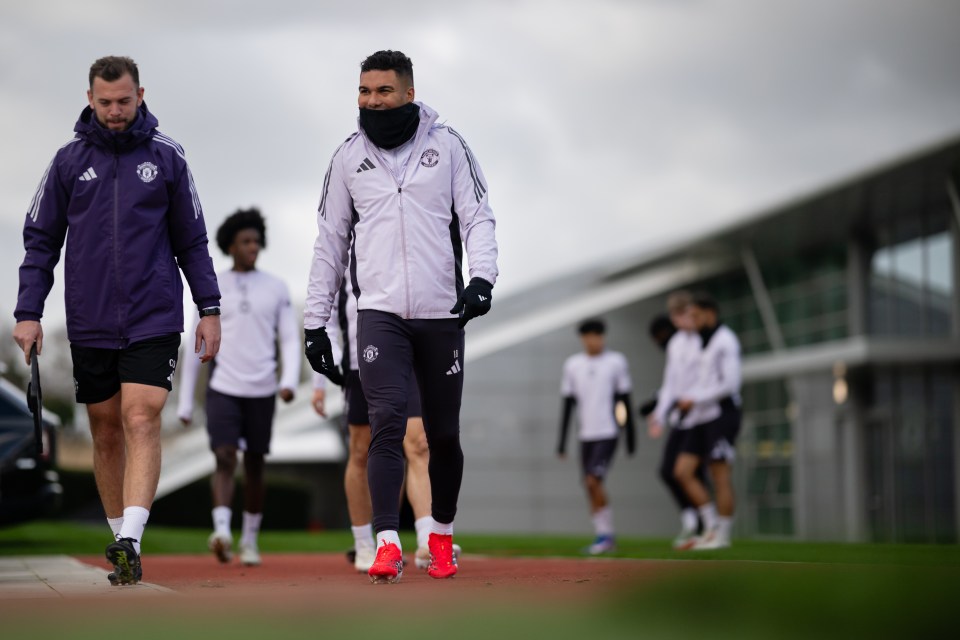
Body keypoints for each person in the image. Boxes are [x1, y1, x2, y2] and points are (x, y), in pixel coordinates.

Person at [12, 56, 221, 585]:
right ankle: (119, 540)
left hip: (154, 316)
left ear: (140, 94)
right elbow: (40, 241)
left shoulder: (168, 158)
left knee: (141, 417)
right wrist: (28, 313)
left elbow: (192, 240)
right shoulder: (67, 162)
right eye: (104, 102)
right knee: (105, 430)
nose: (114, 111)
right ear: (90, 98)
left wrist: (209, 308)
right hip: (89, 319)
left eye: (124, 101)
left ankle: (131, 535)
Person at [304, 50, 498, 584]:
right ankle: (387, 543)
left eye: (383, 91)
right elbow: (330, 243)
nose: (372, 101)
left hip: (441, 312)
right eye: (364, 92)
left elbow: (478, 216)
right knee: (387, 424)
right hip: (380, 313)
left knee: (441, 435)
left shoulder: (449, 145)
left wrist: (482, 278)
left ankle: (441, 537)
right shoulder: (347, 158)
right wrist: (314, 322)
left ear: (408, 93)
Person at [177, 208, 300, 567]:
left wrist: (289, 382)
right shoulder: (212, 284)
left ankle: (249, 539)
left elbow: (290, 340)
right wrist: (185, 403)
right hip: (224, 387)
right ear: (230, 245)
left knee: (256, 463)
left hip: (262, 388)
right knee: (225, 456)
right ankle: (221, 532)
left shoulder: (276, 287)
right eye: (246, 242)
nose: (253, 248)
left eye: (257, 242)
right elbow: (194, 345)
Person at [310, 272, 439, 573]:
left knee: (418, 443)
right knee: (361, 450)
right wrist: (322, 378)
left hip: (407, 362)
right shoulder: (340, 261)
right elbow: (324, 319)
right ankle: (365, 542)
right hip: (358, 366)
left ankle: (425, 540)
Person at [557, 318, 636, 555]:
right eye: (589, 336)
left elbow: (624, 402)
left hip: (608, 431)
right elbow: (568, 405)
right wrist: (561, 443)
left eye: (598, 336)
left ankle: (606, 535)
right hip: (586, 434)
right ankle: (602, 534)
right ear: (583, 339)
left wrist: (629, 435)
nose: (594, 341)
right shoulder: (573, 365)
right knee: (589, 485)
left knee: (594, 480)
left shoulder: (615, 362)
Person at [673, 292, 742, 550]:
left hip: (722, 414)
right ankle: (710, 527)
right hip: (701, 416)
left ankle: (722, 536)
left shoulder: (725, 341)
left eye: (695, 315)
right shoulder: (703, 342)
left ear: (709, 314)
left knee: (719, 474)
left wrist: (695, 398)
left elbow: (731, 384)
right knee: (682, 471)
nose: (692, 321)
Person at [645, 292, 710, 549]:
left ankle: (708, 526)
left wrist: (696, 399)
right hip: (681, 418)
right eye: (676, 315)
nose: (682, 320)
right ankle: (692, 520)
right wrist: (659, 415)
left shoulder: (705, 340)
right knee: (668, 471)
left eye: (685, 313)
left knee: (693, 472)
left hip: (703, 415)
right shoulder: (676, 345)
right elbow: (671, 384)